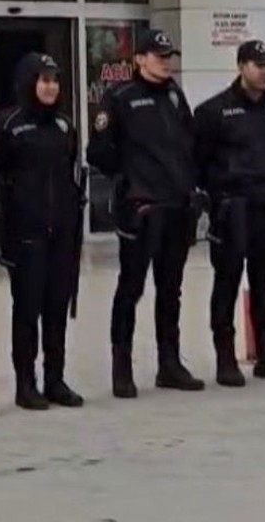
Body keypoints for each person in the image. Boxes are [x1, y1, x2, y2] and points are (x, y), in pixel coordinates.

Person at [87, 28, 205, 397]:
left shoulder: (174, 95)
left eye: (169, 56)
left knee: (171, 290)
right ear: (139, 59)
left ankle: (169, 364)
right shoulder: (121, 97)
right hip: (140, 209)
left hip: (175, 206)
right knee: (131, 288)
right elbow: (99, 151)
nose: (166, 62)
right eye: (159, 56)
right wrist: (129, 179)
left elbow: (189, 145)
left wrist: (192, 188)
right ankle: (122, 368)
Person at [194, 40, 265, 387]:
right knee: (227, 282)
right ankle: (225, 358)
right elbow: (198, 162)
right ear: (241, 66)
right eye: (259, 64)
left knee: (264, 285)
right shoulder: (214, 111)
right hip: (233, 210)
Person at [0, 53, 86, 411]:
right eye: (44, 80)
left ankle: (55, 379)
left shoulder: (65, 126)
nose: (51, 87)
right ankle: (25, 383)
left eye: (55, 80)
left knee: (56, 308)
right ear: (29, 82)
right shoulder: (9, 126)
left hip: (61, 233)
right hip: (25, 234)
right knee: (27, 310)